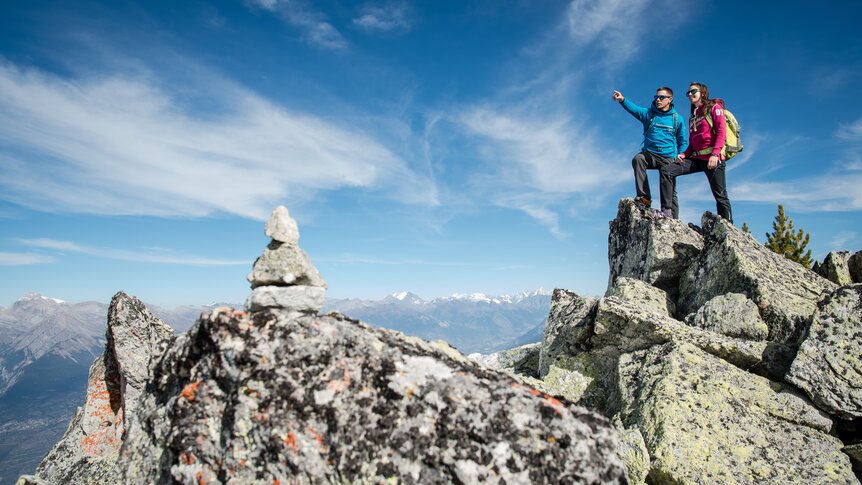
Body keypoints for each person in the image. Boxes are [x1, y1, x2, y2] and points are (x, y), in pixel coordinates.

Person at [660, 82, 733, 223]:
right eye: (688, 93)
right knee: (666, 170)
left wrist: (715, 154)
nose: (690, 95)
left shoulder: (714, 108)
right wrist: (684, 155)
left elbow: (721, 132)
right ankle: (667, 212)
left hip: (713, 159)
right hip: (697, 159)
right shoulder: (693, 116)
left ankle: (729, 228)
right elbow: (693, 142)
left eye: (693, 92)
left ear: (703, 93)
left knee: (720, 196)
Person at [612, 87, 687, 218]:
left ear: (670, 99)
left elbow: (683, 140)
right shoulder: (649, 114)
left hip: (668, 157)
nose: (658, 100)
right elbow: (635, 109)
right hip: (650, 155)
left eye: (661, 97)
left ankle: (671, 215)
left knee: (670, 190)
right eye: (656, 97)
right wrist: (622, 100)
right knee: (638, 159)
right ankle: (644, 198)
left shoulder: (677, 119)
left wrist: (681, 153)